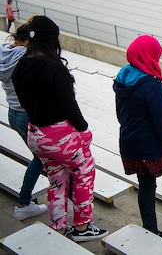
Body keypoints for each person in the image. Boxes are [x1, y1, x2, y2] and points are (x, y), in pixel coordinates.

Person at [12, 16, 108, 241]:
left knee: (56, 178)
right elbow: (69, 106)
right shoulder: (55, 68)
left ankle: (58, 224)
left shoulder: (21, 66)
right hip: (59, 135)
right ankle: (83, 226)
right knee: (84, 172)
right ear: (51, 41)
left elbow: (24, 103)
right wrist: (84, 129)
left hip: (36, 133)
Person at [114, 35, 162, 240]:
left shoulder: (123, 76)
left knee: (146, 185)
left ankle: (150, 229)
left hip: (130, 143)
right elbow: (161, 124)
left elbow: (119, 114)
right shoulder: (151, 84)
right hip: (152, 146)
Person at [0, 21, 47, 221]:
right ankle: (23, 203)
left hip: (13, 112)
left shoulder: (5, 53)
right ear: (30, 40)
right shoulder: (26, 58)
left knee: (43, 158)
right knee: (43, 158)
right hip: (27, 115)